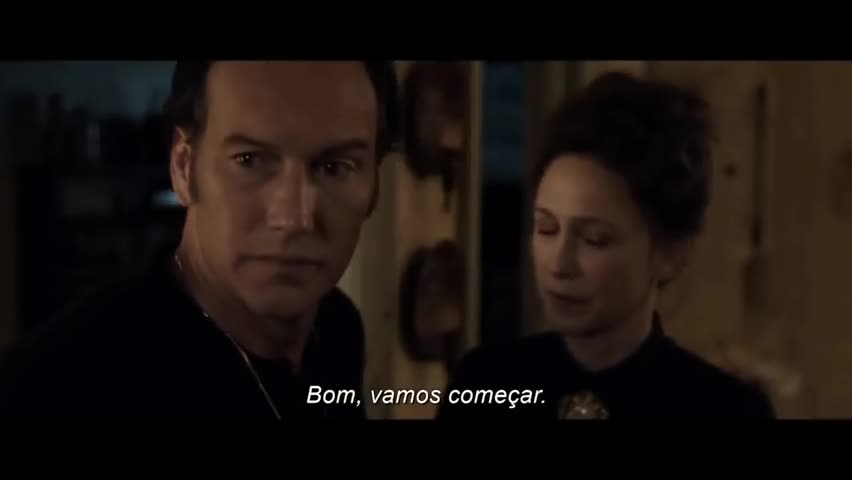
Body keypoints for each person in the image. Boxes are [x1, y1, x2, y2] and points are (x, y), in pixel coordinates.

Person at [0, 61, 400, 418]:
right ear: (183, 167)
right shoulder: (55, 386)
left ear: (375, 188)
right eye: (249, 160)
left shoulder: (335, 328)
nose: (294, 218)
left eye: (336, 167)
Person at [438, 72, 775, 418]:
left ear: (670, 253)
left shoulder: (727, 409)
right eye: (546, 228)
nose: (559, 264)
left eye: (595, 239)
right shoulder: (485, 382)